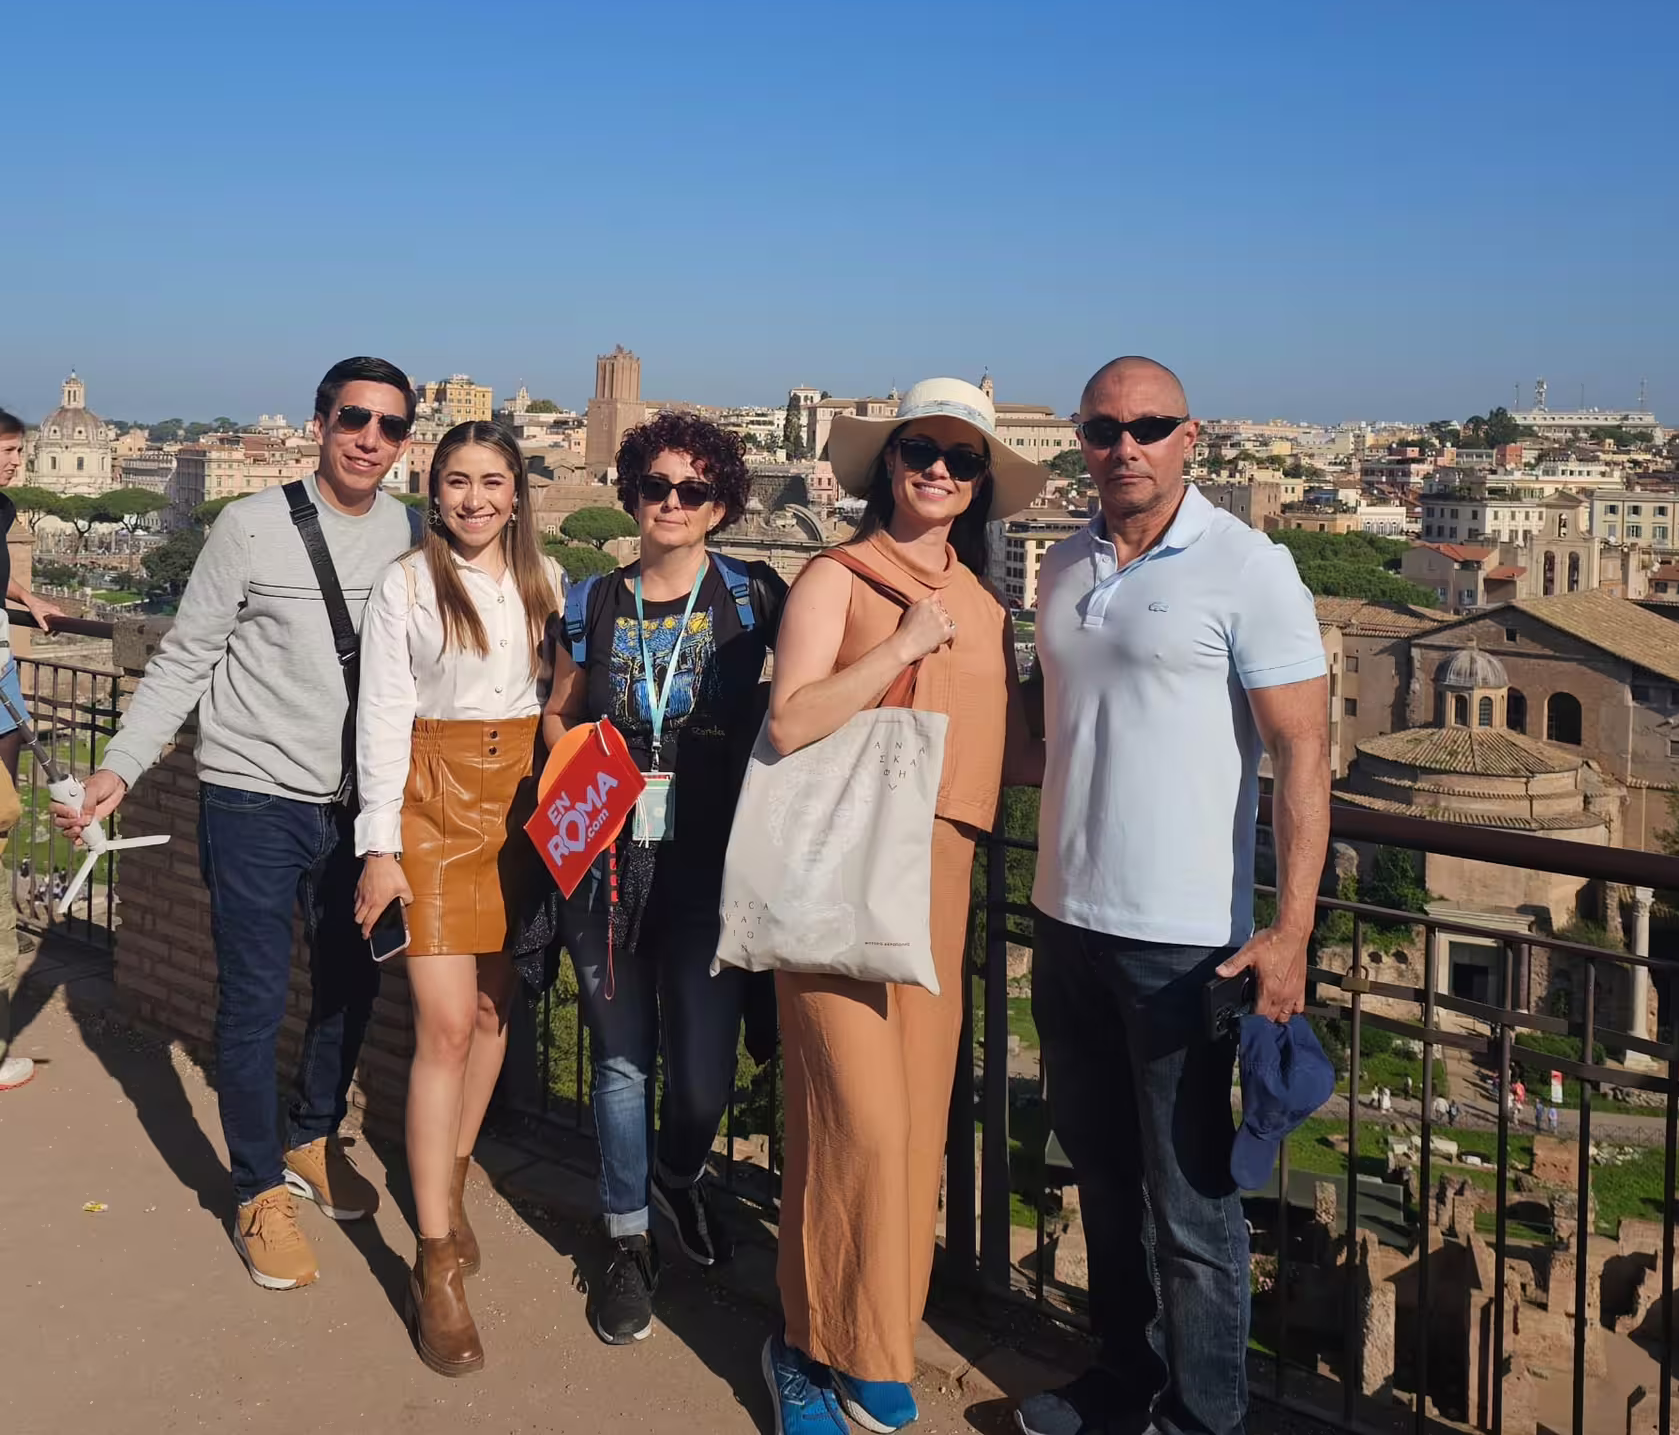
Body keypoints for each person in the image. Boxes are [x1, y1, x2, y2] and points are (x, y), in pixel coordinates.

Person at [54, 358, 418, 1289]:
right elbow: (182, 660)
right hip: (252, 798)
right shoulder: (250, 526)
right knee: (255, 999)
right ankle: (256, 1188)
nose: (369, 439)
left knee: (352, 986)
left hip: (355, 812)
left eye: (389, 426)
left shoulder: (411, 533)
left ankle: (308, 1136)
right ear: (320, 421)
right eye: (353, 418)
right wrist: (120, 767)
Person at [1020, 356, 1329, 1435]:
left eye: (1149, 426)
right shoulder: (1061, 566)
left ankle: (1205, 1416)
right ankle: (1123, 1381)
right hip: (1064, 923)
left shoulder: (1250, 567)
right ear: (1081, 440)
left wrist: (1290, 930)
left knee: (1194, 1208)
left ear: (1191, 436)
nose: (1126, 447)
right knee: (1101, 1178)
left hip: (1186, 943)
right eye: (1105, 429)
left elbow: (1302, 751)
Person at [760, 377, 1046, 1435]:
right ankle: (803, 1347)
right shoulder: (837, 576)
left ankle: (871, 1341)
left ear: (978, 485)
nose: (938, 469)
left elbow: (1014, 759)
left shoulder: (987, 607)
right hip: (839, 867)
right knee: (858, 1122)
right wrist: (898, 646)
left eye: (961, 458)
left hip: (941, 875)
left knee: (919, 1131)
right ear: (889, 463)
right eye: (920, 450)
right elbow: (789, 723)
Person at [514, 411, 787, 1348]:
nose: (671, 504)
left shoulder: (755, 596)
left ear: (719, 505)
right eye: (655, 486)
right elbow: (557, 712)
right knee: (622, 1062)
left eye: (693, 490)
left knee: (704, 1081)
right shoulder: (590, 602)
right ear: (629, 494)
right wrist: (585, 757)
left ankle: (679, 1173)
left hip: (715, 871)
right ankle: (627, 1238)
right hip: (607, 873)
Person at [353, 422, 561, 1374]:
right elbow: (384, 718)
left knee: (488, 1012)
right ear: (431, 492)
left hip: (519, 803)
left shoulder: (545, 582)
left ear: (518, 492)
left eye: (492, 481)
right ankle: (434, 1259)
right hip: (433, 806)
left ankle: (452, 1175)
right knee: (442, 1022)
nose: (474, 499)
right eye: (456, 482)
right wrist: (379, 848)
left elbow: (561, 699)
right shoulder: (403, 584)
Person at [1, 407, 64, 1094]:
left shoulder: (4, 508)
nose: (16, 462)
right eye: (8, 451)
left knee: (7, 812)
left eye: (19, 451)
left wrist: (25, 595)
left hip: (4, 682)